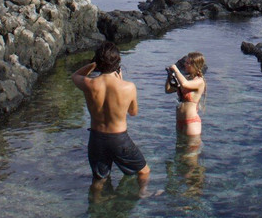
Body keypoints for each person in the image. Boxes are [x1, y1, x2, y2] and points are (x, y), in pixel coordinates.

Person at [71, 41, 150, 190]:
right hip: (119, 138)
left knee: (99, 179)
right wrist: (119, 79)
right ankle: (142, 195)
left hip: (96, 138)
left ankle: (95, 208)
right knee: (144, 171)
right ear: (118, 62)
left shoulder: (89, 84)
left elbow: (75, 75)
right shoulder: (128, 87)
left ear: (98, 62)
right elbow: (133, 112)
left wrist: (93, 65)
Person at [165, 52, 206, 137]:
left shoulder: (199, 81)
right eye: (185, 62)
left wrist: (176, 70)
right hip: (180, 121)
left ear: (195, 65)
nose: (185, 65)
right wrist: (169, 76)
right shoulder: (186, 79)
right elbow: (168, 90)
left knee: (191, 149)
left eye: (188, 63)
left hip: (191, 122)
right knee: (179, 149)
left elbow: (184, 84)